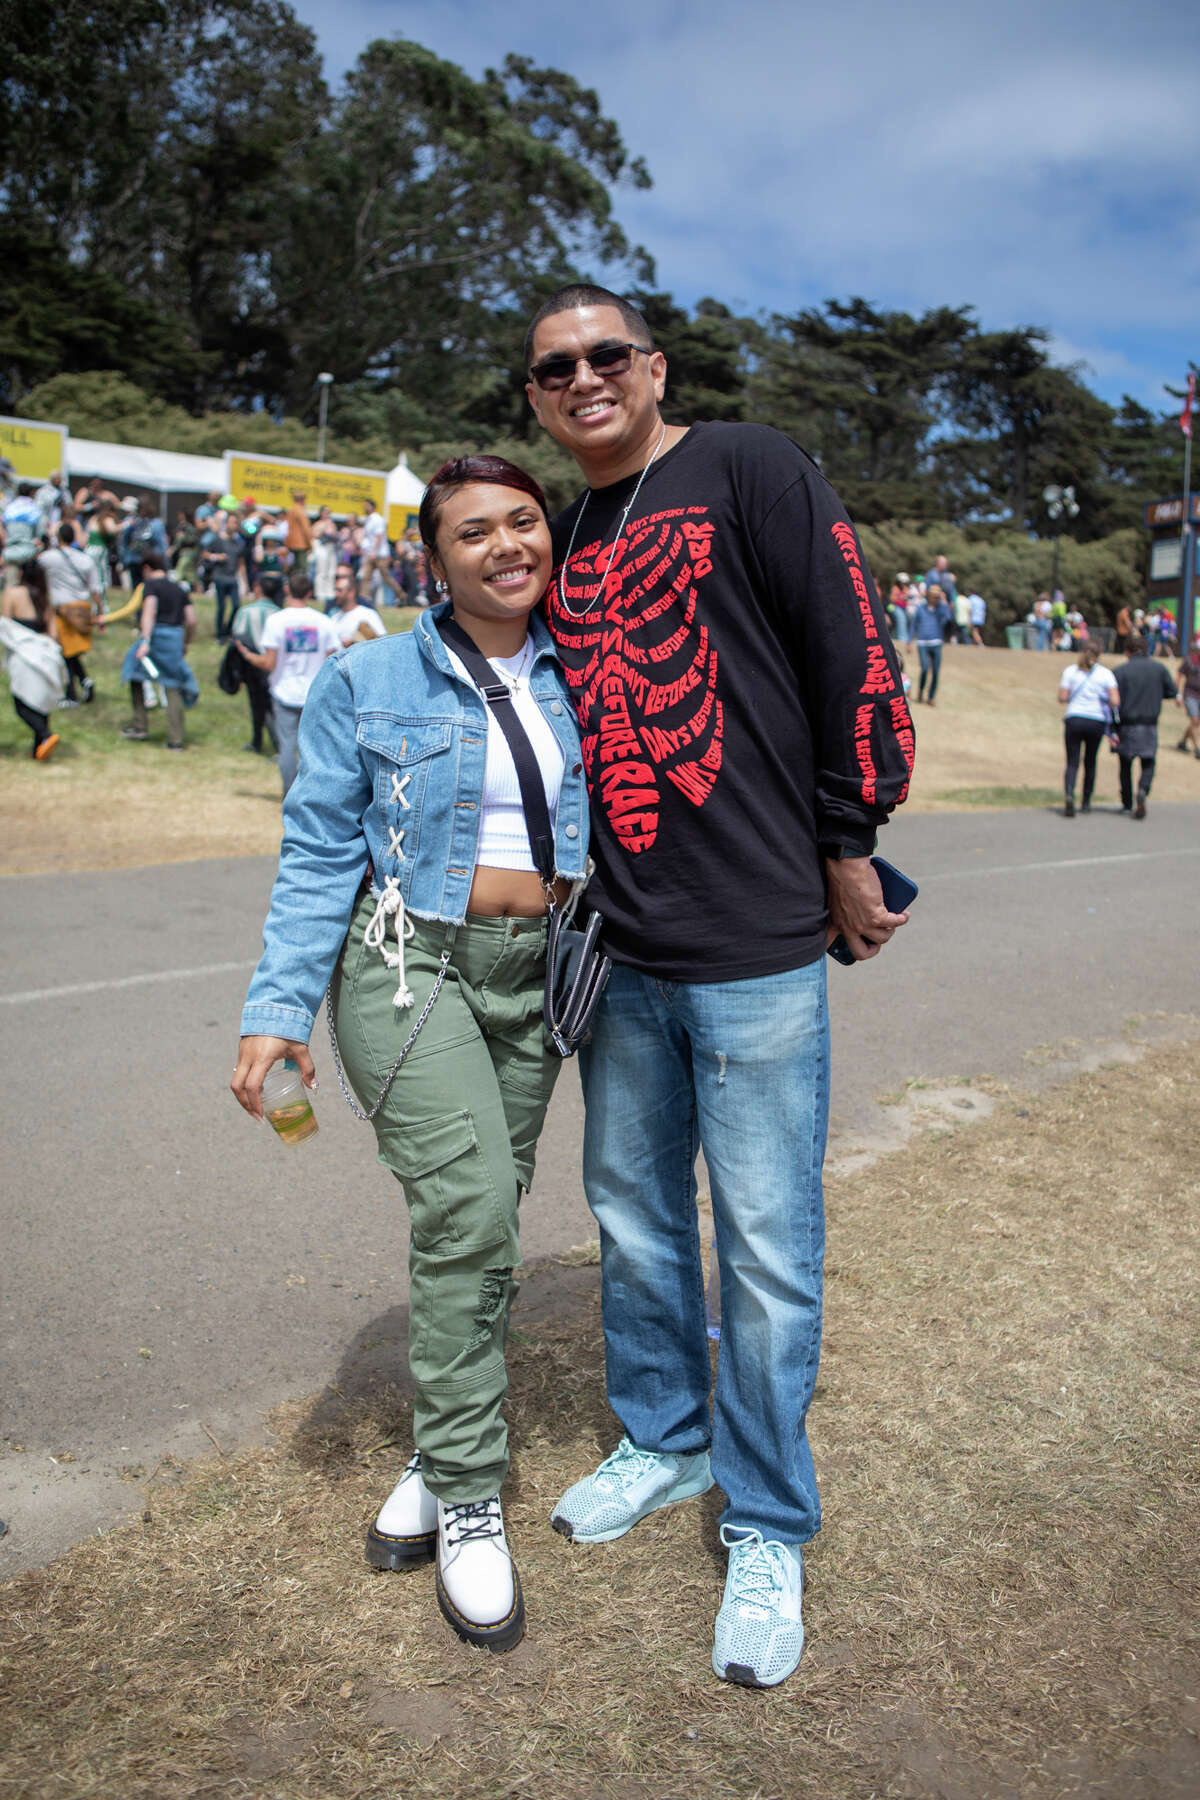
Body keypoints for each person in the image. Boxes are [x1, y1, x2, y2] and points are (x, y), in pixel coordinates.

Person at [522, 283, 914, 1689]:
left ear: (653, 365)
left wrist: (852, 836)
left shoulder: (747, 462)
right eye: (554, 369)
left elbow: (848, 644)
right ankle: (668, 1437)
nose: (583, 380)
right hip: (624, 944)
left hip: (751, 941)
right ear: (537, 397)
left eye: (604, 355)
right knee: (631, 1217)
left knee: (761, 1243)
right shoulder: (567, 531)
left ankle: (766, 1517)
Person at [231, 455, 589, 1654]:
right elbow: (323, 851)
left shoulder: (591, 669)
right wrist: (277, 1010)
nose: (505, 547)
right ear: (433, 558)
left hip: (542, 975)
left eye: (524, 523)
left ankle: (439, 1450)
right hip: (406, 964)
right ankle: (474, 1501)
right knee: (475, 1206)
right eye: (474, 531)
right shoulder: (367, 677)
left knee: (482, 1230)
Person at [236, 572, 340, 795]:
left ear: (287, 591)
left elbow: (269, 662)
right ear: (310, 593)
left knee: (287, 747)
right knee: (313, 748)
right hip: (315, 692)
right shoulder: (323, 621)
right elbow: (333, 658)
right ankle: (313, 793)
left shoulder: (277, 621)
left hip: (284, 690)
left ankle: (290, 793)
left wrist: (247, 655)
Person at [119, 552, 198, 748]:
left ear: (147, 569)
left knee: (133, 672)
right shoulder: (179, 588)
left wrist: (145, 640)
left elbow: (149, 612)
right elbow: (191, 620)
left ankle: (139, 724)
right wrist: (186, 642)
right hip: (175, 638)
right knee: (173, 686)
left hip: (156, 637)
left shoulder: (151, 586)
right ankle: (176, 740)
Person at [1, 558, 63, 758]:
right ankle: (39, 748)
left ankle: (45, 736)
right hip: (45, 654)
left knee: (22, 703)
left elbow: (6, 625)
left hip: (24, 655)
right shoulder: (44, 597)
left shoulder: (12, 594)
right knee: (41, 700)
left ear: (20, 574)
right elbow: (53, 634)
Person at [1112, 634, 1179, 819]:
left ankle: (1127, 802)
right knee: (1148, 762)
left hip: (1126, 724)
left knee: (1125, 764)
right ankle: (1143, 788)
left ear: (1128, 651)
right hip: (1149, 723)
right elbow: (1172, 691)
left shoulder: (1120, 671)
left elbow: (1111, 698)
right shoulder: (1159, 669)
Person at [39, 521, 102, 706]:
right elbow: (95, 588)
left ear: (58, 538)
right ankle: (83, 682)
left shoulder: (48, 558)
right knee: (70, 651)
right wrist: (99, 613)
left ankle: (72, 693)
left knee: (66, 651)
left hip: (63, 610)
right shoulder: (85, 560)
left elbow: (33, 568)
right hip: (82, 608)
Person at [1057, 642, 1119, 817]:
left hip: (1074, 718)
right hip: (1096, 720)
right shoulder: (1105, 674)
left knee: (1072, 762)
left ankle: (1069, 794)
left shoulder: (1070, 671)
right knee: (1090, 761)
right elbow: (1115, 700)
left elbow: (1062, 697)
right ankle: (1086, 801)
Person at [229, 579, 280, 755]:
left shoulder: (246, 611)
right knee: (271, 705)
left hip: (254, 663)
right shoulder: (279, 612)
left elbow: (238, 635)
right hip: (275, 664)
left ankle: (265, 742)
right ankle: (269, 743)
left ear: (258, 588)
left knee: (258, 705)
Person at [200, 513, 243, 639]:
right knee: (222, 607)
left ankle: (228, 630)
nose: (234, 525)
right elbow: (205, 554)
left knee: (236, 605)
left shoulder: (238, 543)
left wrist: (244, 581)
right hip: (220, 576)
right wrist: (216, 557)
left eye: (236, 523)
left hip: (232, 577)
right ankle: (220, 633)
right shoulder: (217, 540)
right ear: (226, 523)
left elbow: (241, 563)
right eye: (232, 522)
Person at [912, 583, 952, 704]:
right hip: (922, 642)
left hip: (936, 642)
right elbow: (914, 624)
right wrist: (909, 640)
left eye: (937, 596)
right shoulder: (921, 608)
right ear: (928, 596)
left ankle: (931, 697)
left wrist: (945, 603)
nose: (935, 598)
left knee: (935, 672)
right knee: (924, 669)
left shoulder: (940, 608)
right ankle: (920, 691)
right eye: (933, 596)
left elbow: (949, 619)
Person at [359, 497, 402, 605]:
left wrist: (373, 551)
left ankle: (401, 595)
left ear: (372, 507)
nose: (364, 507)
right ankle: (364, 599)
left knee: (386, 578)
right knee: (366, 577)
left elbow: (379, 536)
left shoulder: (377, 519)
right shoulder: (368, 520)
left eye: (366, 505)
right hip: (371, 554)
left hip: (380, 554)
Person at [331, 564, 388, 645]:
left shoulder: (368, 614)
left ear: (351, 592)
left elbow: (383, 642)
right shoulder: (335, 617)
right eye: (335, 590)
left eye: (339, 590)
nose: (336, 593)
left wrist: (353, 644)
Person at [1175, 633, 1200, 759]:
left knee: (1195, 723)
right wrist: (1177, 694)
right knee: (1195, 720)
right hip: (1190, 695)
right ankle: (1197, 749)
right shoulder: (1189, 660)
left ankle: (1182, 742)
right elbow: (1179, 675)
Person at [311, 505, 339, 609]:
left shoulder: (332, 524)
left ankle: (330, 593)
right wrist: (324, 529)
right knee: (321, 572)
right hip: (322, 547)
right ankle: (320, 594)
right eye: (326, 512)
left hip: (331, 548)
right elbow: (314, 534)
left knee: (331, 572)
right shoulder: (318, 524)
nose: (328, 514)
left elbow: (335, 535)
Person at [285, 490, 313, 575]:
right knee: (302, 569)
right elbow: (306, 528)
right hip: (301, 544)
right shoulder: (301, 510)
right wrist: (310, 544)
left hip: (292, 543)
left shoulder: (291, 510)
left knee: (295, 567)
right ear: (302, 499)